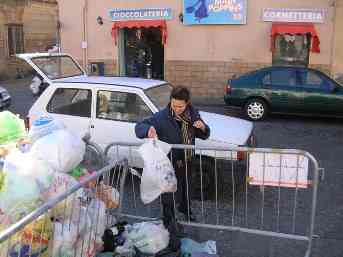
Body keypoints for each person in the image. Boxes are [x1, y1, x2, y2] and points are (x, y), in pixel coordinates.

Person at [135, 86, 210, 225]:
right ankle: (169, 218)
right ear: (171, 101)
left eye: (180, 106)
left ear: (187, 103)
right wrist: (148, 130)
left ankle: (186, 210)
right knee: (168, 193)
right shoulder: (161, 117)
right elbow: (139, 127)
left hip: (187, 160)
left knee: (187, 189)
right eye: (174, 105)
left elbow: (203, 134)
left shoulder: (193, 115)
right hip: (170, 163)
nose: (177, 109)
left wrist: (203, 127)